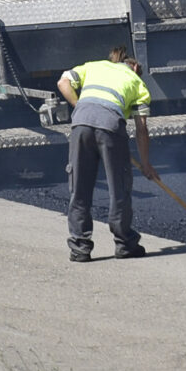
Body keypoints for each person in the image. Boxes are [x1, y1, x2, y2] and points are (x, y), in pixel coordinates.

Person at [57, 44, 153, 262]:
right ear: (135, 67)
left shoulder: (94, 66)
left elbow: (62, 82)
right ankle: (125, 244)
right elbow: (141, 129)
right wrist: (146, 163)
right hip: (110, 127)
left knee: (79, 188)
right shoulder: (137, 82)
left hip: (80, 125)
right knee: (119, 187)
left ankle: (80, 248)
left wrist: (80, 106)